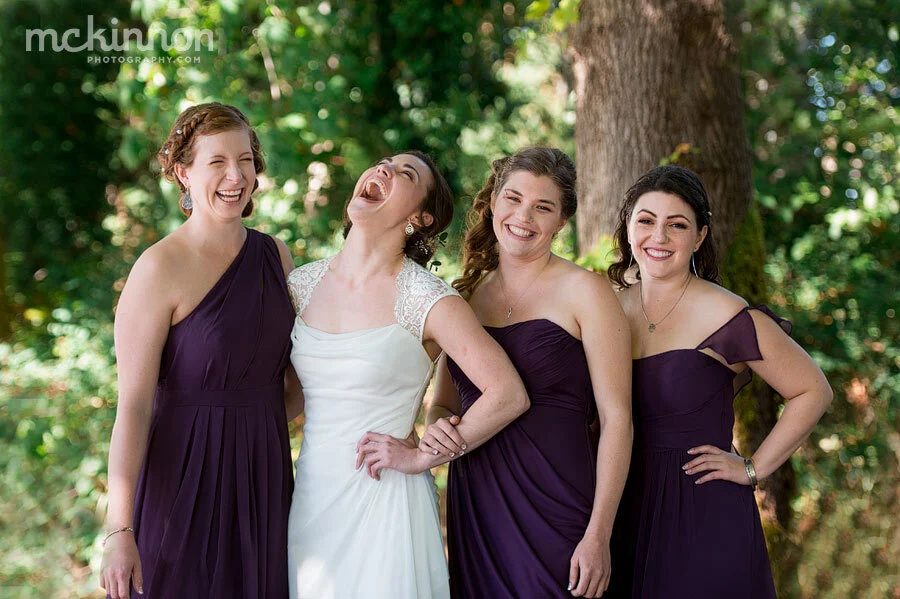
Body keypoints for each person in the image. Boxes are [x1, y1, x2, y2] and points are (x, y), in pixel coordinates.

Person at [285, 151, 529, 599]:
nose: (384, 169)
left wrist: (423, 458)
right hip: (310, 502)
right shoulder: (300, 285)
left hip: (385, 502)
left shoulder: (427, 299)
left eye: (406, 173)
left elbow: (508, 393)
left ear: (420, 218)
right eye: (383, 162)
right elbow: (285, 395)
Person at [99, 103, 298, 599]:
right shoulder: (158, 267)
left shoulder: (276, 256)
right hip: (184, 479)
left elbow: (301, 379)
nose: (236, 176)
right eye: (218, 162)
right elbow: (133, 408)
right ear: (184, 173)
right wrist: (118, 529)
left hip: (264, 476)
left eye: (245, 160)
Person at [606, 165, 833, 598]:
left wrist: (752, 468)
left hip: (701, 508)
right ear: (629, 227)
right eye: (646, 220)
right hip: (620, 505)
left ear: (700, 237)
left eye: (677, 225)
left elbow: (813, 390)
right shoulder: (606, 308)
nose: (659, 236)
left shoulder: (727, 314)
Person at [421, 147, 633, 598]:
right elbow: (442, 403)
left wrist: (599, 534)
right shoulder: (466, 297)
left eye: (543, 207)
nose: (523, 216)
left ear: (561, 222)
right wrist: (437, 427)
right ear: (494, 202)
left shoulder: (587, 292)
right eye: (514, 199)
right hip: (476, 504)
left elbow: (617, 420)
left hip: (559, 506)